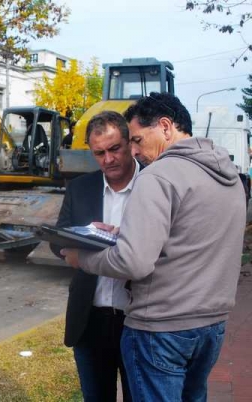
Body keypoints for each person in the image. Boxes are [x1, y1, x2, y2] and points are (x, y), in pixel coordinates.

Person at [61, 92, 247, 401]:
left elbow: (133, 263)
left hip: (162, 327)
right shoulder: (227, 175)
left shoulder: (158, 176)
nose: (134, 152)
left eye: (135, 141)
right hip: (211, 325)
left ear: (164, 126)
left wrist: (84, 258)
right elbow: (193, 238)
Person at [57, 110, 138, 401]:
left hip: (138, 321)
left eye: (115, 149)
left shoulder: (153, 184)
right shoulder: (80, 188)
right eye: (99, 153)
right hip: (90, 319)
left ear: (130, 143)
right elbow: (58, 241)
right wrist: (85, 232)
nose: (108, 159)